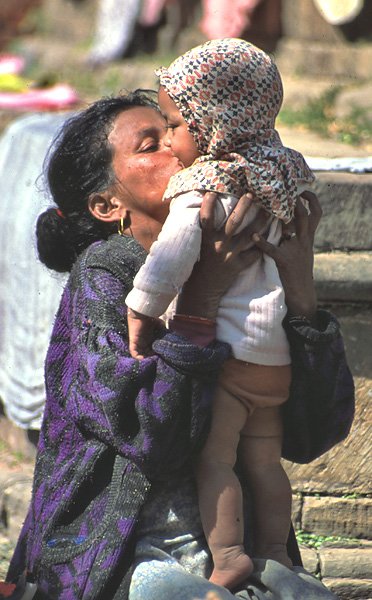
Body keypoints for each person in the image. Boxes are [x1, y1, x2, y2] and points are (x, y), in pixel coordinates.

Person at [3, 90, 349, 600]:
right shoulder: (104, 281)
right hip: (126, 554)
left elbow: (311, 436)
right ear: (107, 205)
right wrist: (199, 302)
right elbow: (153, 439)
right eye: (151, 144)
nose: (179, 147)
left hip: (239, 555)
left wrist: (300, 295)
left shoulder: (246, 267)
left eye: (175, 130)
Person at [125, 38, 314, 588]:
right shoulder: (281, 177)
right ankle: (275, 550)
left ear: (215, 127)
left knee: (217, 461)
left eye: (176, 124)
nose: (171, 140)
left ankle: (229, 554)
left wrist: (143, 309)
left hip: (229, 360)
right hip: (274, 362)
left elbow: (171, 257)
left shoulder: (207, 187)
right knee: (264, 463)